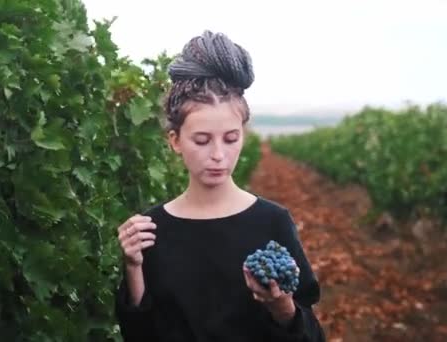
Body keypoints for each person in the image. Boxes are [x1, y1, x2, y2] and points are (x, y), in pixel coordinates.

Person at [114, 30, 325, 342]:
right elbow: (141, 336)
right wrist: (133, 267)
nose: (218, 155)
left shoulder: (272, 222)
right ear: (175, 141)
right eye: (201, 140)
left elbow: (310, 335)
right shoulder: (152, 230)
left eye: (231, 139)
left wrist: (281, 307)